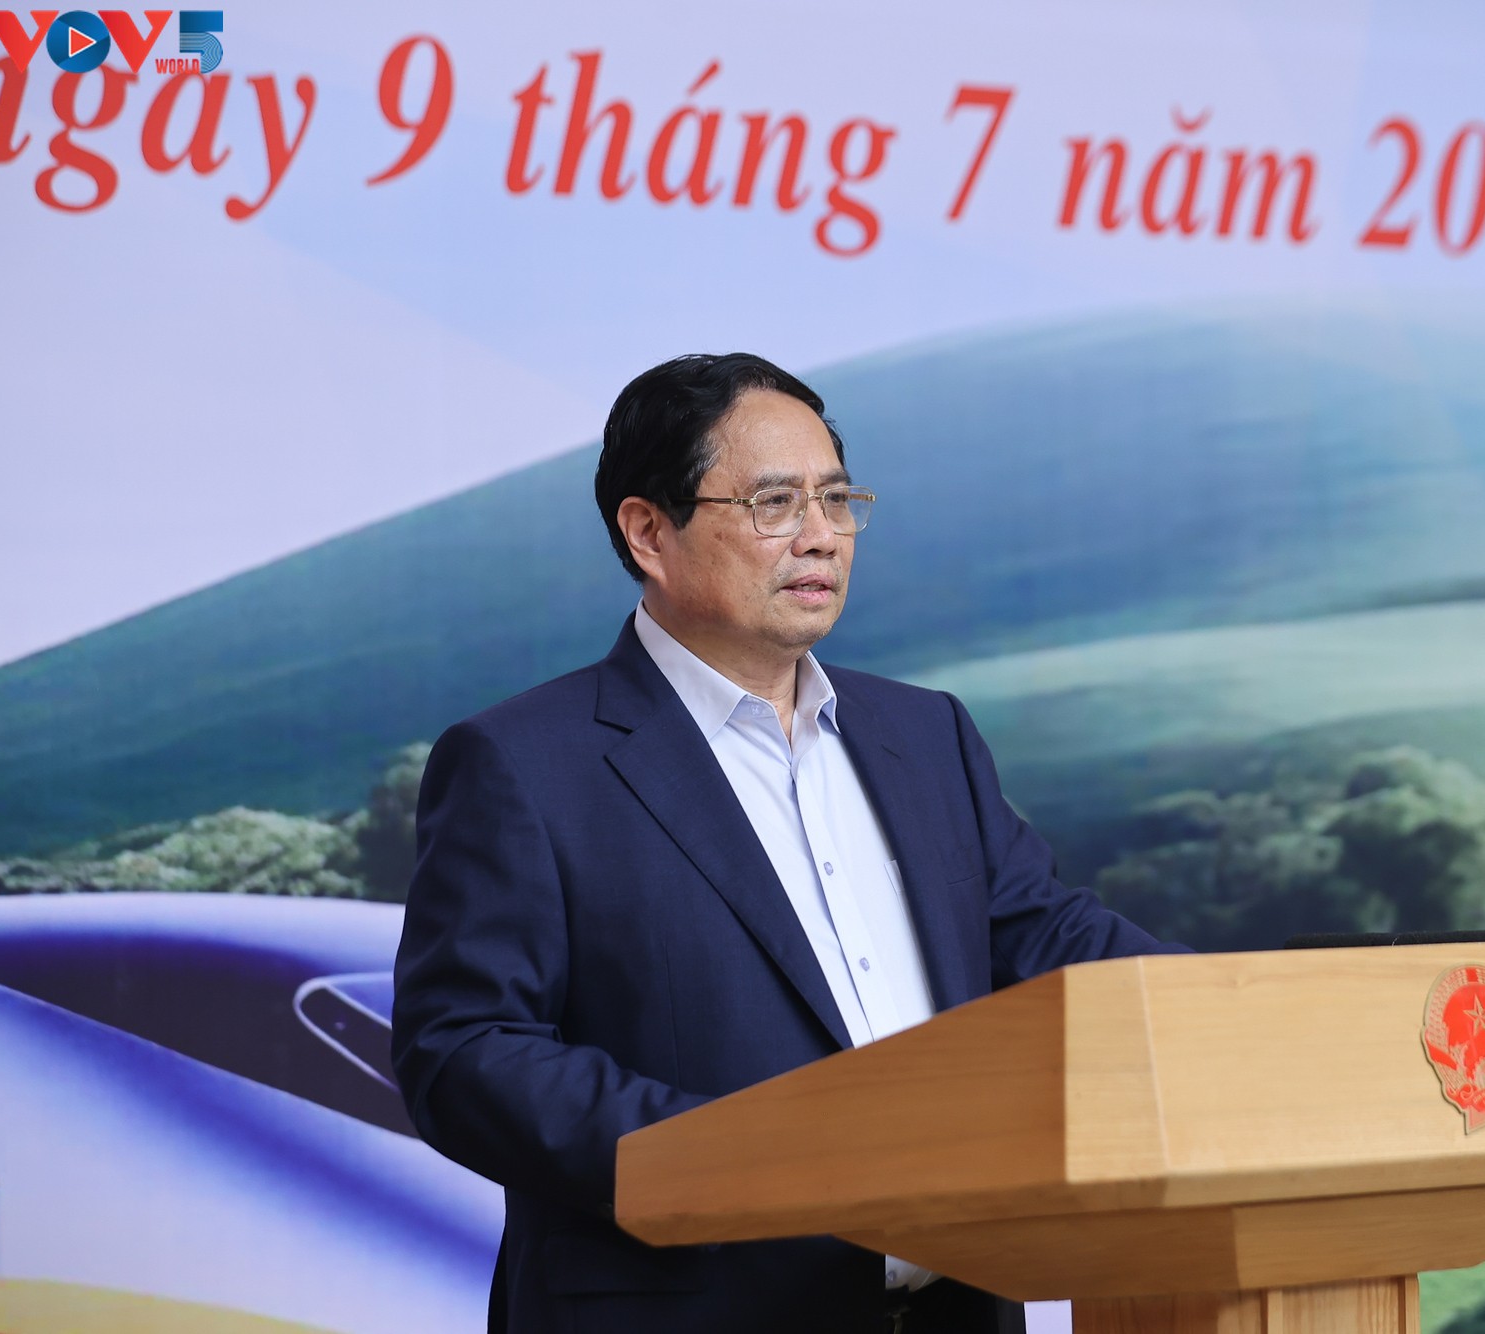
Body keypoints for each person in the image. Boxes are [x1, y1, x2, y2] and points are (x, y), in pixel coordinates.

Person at [391, 353, 1183, 1334]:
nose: (820, 535)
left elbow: (1051, 941)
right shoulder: (526, 763)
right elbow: (464, 1051)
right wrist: (737, 1154)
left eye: (837, 500)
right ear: (648, 531)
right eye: (774, 503)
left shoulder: (924, 734)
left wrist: (1254, 1015)